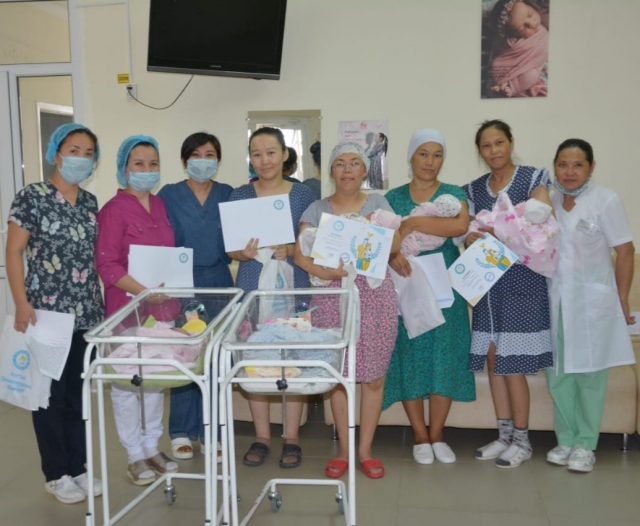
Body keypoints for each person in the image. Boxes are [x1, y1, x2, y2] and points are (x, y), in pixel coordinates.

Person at [6, 123, 104, 504]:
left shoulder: (91, 203)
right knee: (49, 396)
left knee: (78, 396)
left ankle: (78, 467)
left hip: (86, 313)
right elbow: (14, 251)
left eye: (88, 153)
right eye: (74, 150)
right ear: (56, 153)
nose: (81, 158)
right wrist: (20, 301)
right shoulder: (32, 197)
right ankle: (56, 473)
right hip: (45, 313)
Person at [295, 141, 400, 479]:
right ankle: (343, 449)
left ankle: (365, 450)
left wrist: (375, 231)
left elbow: (395, 245)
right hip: (331, 297)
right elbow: (300, 255)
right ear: (330, 171)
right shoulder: (316, 209)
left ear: (365, 170)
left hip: (375, 297)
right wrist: (325, 273)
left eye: (355, 162)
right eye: (340, 163)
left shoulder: (379, 204)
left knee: (374, 377)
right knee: (339, 375)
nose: (348, 169)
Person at [382, 128, 476, 465]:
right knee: (410, 355)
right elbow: (382, 238)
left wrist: (409, 225)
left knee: (444, 356)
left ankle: (437, 435)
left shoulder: (453, 193)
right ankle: (420, 436)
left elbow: (458, 227)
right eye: (423, 154)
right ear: (411, 156)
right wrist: (393, 251)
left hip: (445, 287)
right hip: (405, 284)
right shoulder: (392, 197)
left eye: (437, 155)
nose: (430, 161)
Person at [464, 119, 553, 468]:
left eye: (499, 143)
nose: (494, 151)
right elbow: (466, 230)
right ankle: (503, 436)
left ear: (511, 143)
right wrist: (470, 237)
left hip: (523, 282)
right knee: (493, 359)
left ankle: (522, 441)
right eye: (486, 146)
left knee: (512, 362)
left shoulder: (533, 178)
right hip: (488, 283)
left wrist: (499, 229)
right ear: (480, 151)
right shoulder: (474, 189)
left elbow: (540, 218)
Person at [227, 127, 315, 469]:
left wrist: (290, 248)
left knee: (292, 357)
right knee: (256, 358)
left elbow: (312, 242)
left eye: (271, 152)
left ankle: (291, 437)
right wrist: (243, 253)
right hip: (253, 284)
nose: (264, 160)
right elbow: (231, 250)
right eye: (257, 154)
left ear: (284, 155)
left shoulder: (303, 194)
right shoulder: (239, 195)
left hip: (293, 284)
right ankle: (262, 436)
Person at [546, 139, 635, 473]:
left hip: (591, 303)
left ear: (591, 167)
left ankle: (586, 444)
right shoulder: (549, 202)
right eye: (563, 165)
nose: (569, 172)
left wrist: (622, 296)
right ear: (555, 167)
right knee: (559, 375)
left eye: (578, 165)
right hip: (556, 301)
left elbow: (625, 250)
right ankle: (565, 440)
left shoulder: (605, 200)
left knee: (590, 377)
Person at [96, 135, 179, 485]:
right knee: (128, 384)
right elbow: (107, 264)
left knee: (156, 380)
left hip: (162, 310)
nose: (147, 170)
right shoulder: (113, 210)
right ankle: (133, 455)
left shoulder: (159, 205)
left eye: (153, 164)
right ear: (124, 169)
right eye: (139, 164)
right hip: (126, 310)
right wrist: (143, 292)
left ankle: (152, 446)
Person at [157, 132, 233, 462]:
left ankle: (213, 431)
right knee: (184, 358)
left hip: (219, 282)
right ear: (185, 160)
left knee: (216, 359)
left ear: (218, 160)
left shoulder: (228, 194)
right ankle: (180, 431)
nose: (203, 161)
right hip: (182, 284)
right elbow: (159, 239)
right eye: (196, 155)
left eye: (210, 155)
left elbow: (238, 240)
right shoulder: (169, 195)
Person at [488, 0, 549, 97]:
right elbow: (506, 56)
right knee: (498, 67)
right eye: (522, 28)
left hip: (529, 70)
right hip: (515, 67)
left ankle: (511, 87)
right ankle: (507, 87)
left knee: (531, 75)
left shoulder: (543, 29)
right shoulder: (511, 41)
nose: (531, 24)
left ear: (531, 6)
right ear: (513, 34)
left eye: (530, 15)